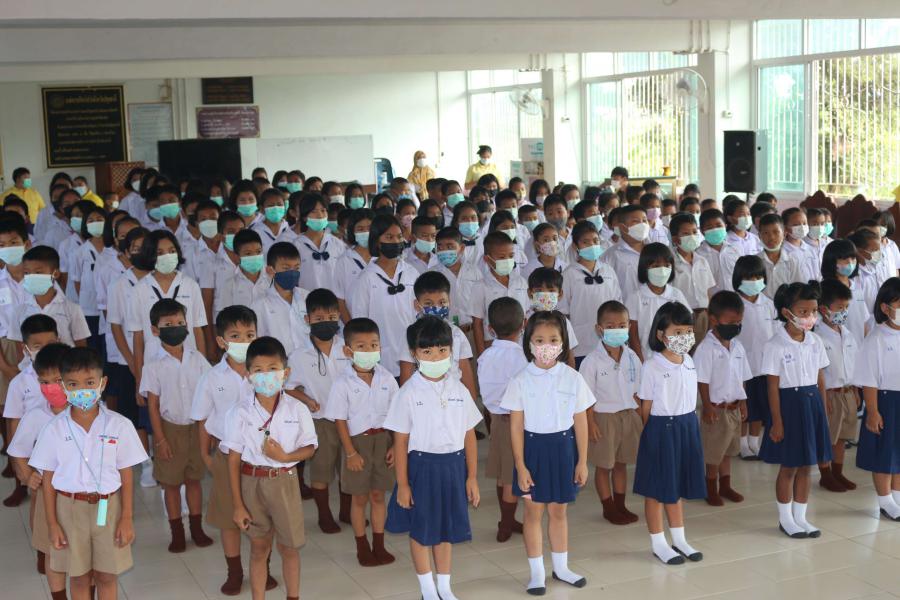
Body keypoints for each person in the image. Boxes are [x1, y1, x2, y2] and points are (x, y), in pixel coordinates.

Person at [29, 347, 148, 600]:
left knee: (107, 575)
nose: (82, 390)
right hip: (69, 509)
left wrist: (127, 517)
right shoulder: (53, 429)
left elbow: (126, 473)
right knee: (79, 577)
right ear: (63, 387)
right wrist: (52, 524)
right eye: (73, 384)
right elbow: (48, 480)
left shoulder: (119, 424)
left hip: (108, 507)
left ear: (102, 383)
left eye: (89, 383)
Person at [384, 316, 482, 600]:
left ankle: (445, 586)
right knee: (422, 529)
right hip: (422, 467)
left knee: (446, 528)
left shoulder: (459, 389)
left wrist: (472, 477)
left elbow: (469, 435)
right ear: (414, 354)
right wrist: (403, 484)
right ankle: (427, 589)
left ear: (451, 351)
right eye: (427, 351)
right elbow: (401, 442)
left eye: (442, 350)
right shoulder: (407, 393)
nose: (436, 357)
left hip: (453, 466)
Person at [502, 310, 593, 594]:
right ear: (529, 342)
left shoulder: (572, 377)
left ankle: (561, 567)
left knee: (559, 512)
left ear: (563, 342)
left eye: (553, 340)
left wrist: (582, 461)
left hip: (564, 450)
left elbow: (580, 422)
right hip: (533, 452)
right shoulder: (520, 380)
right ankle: (537, 573)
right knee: (533, 513)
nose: (546, 346)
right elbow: (515, 427)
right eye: (539, 340)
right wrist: (521, 465)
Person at [223, 336, 317, 600]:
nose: (266, 376)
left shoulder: (297, 409)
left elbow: (310, 448)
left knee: (289, 548)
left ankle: (293, 596)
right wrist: (238, 504)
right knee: (258, 548)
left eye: (273, 369)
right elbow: (233, 459)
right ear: (248, 375)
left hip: (284, 480)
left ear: (285, 373)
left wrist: (285, 457)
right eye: (258, 370)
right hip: (252, 482)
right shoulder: (239, 412)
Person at [190, 305, 273, 595]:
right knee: (229, 517)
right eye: (235, 336)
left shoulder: (265, 373)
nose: (244, 341)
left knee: (263, 515)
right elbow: (202, 419)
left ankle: (264, 567)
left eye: (250, 334)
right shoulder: (211, 377)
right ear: (222, 341)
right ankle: (234, 571)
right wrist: (205, 456)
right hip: (227, 456)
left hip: (261, 456)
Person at [633, 302, 706, 565]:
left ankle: (679, 539)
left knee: (676, 487)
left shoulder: (689, 361)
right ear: (661, 334)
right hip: (661, 429)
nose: (684, 337)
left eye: (688, 331)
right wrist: (652, 436)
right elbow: (646, 406)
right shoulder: (652, 365)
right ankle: (658, 543)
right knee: (657, 489)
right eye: (677, 332)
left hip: (687, 426)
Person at [324, 317, 400, 565]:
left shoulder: (387, 378)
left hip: (383, 441)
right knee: (359, 498)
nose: (369, 351)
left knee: (378, 496)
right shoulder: (342, 383)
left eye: (374, 345)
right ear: (348, 351)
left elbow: (397, 416)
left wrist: (395, 446)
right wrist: (350, 453)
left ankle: (379, 544)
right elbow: (339, 421)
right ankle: (362, 546)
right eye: (361, 346)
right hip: (356, 444)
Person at [758, 282, 831, 539]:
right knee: (789, 466)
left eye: (814, 311)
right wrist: (776, 421)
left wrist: (823, 414)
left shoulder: (815, 341)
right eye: (803, 311)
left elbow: (820, 379)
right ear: (787, 312)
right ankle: (786, 519)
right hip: (788, 407)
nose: (810, 316)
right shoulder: (775, 345)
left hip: (812, 405)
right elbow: (772, 387)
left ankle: (801, 517)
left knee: (806, 466)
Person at [141, 298, 212, 553]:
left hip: (196, 427)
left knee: (194, 480)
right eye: (168, 324)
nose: (176, 328)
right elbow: (152, 406)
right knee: (171, 483)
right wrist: (159, 440)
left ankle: (197, 528)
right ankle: (177, 532)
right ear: (155, 330)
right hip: (169, 429)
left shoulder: (198, 359)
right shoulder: (153, 365)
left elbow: (208, 395)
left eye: (180, 322)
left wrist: (208, 432)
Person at [284, 289, 353, 533]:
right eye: (319, 318)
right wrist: (307, 400)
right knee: (321, 471)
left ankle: (346, 512)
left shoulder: (347, 348)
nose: (326, 323)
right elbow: (287, 388)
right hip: (320, 421)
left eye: (332, 318)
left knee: (348, 470)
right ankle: (324, 516)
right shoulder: (298, 355)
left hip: (349, 420)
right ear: (307, 320)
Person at [7, 343, 69, 599]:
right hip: (48, 494)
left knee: (85, 552)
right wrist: (26, 474)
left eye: (58, 380)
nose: (51, 387)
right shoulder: (35, 416)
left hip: (83, 493)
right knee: (53, 550)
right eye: (45, 382)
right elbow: (17, 449)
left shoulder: (88, 411)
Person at [578, 300, 642, 525]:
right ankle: (608, 508)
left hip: (629, 416)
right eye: (610, 326)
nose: (617, 330)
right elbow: (585, 398)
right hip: (604, 418)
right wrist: (590, 423)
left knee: (622, 464)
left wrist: (641, 417)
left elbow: (639, 391)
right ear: (599, 329)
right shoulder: (591, 361)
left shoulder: (632, 357)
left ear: (629, 327)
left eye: (622, 326)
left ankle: (620, 505)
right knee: (605, 466)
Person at [694, 291, 752, 506]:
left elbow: (742, 377)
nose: (735, 326)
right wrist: (707, 407)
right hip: (716, 409)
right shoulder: (705, 348)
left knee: (728, 450)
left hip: (733, 408)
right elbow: (702, 381)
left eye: (739, 322)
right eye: (730, 322)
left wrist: (743, 403)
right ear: (714, 320)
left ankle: (725, 485)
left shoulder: (738, 346)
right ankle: (710, 488)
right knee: (714, 452)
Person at [127, 230, 207, 383]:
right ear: (151, 255)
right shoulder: (139, 290)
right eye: (160, 252)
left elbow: (198, 329)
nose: (167, 256)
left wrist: (203, 369)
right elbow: (138, 337)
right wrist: (139, 380)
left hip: (189, 361)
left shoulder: (190, 285)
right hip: (154, 364)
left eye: (171, 251)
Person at [477, 297, 527, 542]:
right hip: (517, 421)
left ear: (490, 328)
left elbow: (485, 390)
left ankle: (507, 519)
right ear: (524, 324)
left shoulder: (485, 356)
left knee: (502, 472)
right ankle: (506, 524)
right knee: (511, 475)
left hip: (496, 418)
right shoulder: (523, 358)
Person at [854, 277, 900, 520]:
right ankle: (885, 500)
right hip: (886, 401)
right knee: (884, 452)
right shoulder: (876, 338)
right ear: (885, 307)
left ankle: (897, 494)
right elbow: (868, 380)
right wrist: (872, 411)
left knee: (898, 452)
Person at [350, 215, 418, 378]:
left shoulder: (411, 272)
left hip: (412, 357)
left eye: (399, 237)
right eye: (389, 237)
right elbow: (360, 322)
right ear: (377, 242)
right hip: (382, 360)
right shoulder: (365, 278)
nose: (395, 241)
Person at [2, 314, 60, 507]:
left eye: (50, 344)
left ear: (59, 342)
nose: (44, 350)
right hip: (35, 451)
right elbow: (14, 422)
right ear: (25, 349)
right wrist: (18, 464)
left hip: (65, 446)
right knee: (40, 498)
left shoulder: (70, 375)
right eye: (37, 346)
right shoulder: (19, 383)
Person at [398, 271, 477, 400]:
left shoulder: (457, 334)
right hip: (423, 399)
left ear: (449, 302)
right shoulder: (410, 334)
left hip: (454, 400)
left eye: (442, 302)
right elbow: (406, 374)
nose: (436, 307)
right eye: (429, 303)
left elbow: (465, 372)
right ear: (417, 305)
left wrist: (472, 405)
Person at [814, 278, 859, 492]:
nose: (844, 312)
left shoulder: (847, 334)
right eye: (840, 308)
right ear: (824, 309)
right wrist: (823, 399)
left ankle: (838, 472)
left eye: (846, 307)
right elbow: (817, 373)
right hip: (830, 394)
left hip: (847, 392)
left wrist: (855, 390)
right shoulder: (817, 336)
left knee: (842, 437)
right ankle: (825, 474)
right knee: (828, 437)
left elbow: (854, 364)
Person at [732, 255, 777, 460]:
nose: (754, 282)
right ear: (738, 278)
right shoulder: (734, 304)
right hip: (742, 367)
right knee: (745, 406)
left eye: (758, 277)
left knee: (759, 406)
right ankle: (742, 444)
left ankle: (754, 441)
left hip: (763, 366)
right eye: (749, 278)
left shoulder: (768, 304)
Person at [10, 246, 90, 349]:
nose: (31, 277)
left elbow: (81, 348)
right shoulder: (19, 312)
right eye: (27, 273)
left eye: (38, 272)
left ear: (55, 273)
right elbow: (20, 351)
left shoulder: (72, 309)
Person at [626, 243, 690, 361]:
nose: (662, 270)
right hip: (646, 358)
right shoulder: (635, 297)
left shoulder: (677, 294)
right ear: (644, 268)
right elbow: (633, 335)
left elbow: (687, 327)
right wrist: (641, 361)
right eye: (656, 266)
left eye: (667, 265)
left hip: (674, 359)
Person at [469, 231, 529, 355]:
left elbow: (526, 315)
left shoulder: (521, 282)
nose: (507, 260)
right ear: (487, 259)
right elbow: (477, 323)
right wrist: (481, 355)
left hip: (520, 345)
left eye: (511, 256)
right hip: (492, 346)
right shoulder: (480, 286)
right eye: (502, 257)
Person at [252, 241, 311, 358]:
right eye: (286, 268)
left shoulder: (308, 297)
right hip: (278, 363)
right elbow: (258, 341)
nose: (292, 273)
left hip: (309, 362)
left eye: (296, 268)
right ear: (270, 270)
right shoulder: (260, 305)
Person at [670, 212, 716, 343]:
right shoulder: (671, 263)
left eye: (694, 232)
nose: (692, 236)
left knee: (701, 348)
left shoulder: (702, 261)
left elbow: (708, 291)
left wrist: (710, 314)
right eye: (686, 234)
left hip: (703, 314)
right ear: (675, 239)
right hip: (681, 316)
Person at [213, 229, 270, 319]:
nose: (254, 256)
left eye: (258, 252)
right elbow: (224, 319)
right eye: (248, 253)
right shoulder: (229, 285)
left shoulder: (272, 280)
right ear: (237, 257)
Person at [334, 208, 375, 322]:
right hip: (355, 322)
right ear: (352, 231)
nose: (366, 232)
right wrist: (351, 326)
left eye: (370, 228)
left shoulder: (383, 257)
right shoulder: (344, 260)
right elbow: (340, 300)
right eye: (360, 229)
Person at [603, 204, 648, 301]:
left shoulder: (655, 250)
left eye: (644, 220)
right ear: (622, 227)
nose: (642, 225)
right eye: (635, 221)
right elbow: (607, 289)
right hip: (625, 308)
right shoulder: (611, 256)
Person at [758, 214, 804, 299]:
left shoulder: (792, 260)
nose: (771, 237)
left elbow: (798, 288)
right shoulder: (755, 261)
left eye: (776, 232)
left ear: (784, 234)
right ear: (759, 235)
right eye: (766, 233)